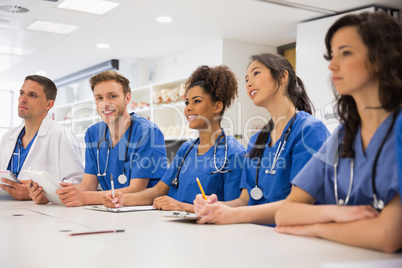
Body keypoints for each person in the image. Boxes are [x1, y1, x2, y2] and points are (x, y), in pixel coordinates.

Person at [275, 12, 402, 253]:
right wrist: (335, 213)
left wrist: (317, 228)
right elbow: (285, 213)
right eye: (332, 56)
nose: (332, 66)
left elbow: (388, 235)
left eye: (346, 53)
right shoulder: (343, 137)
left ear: (379, 59)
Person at [193, 53, 330, 224]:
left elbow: (298, 204)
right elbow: (244, 200)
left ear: (282, 77)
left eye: (256, 73)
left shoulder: (310, 131)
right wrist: (216, 207)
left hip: (294, 238)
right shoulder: (257, 140)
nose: (249, 83)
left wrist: (235, 215)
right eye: (246, 79)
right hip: (257, 235)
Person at [103, 65, 245, 212]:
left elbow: (234, 209)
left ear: (217, 107)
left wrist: (182, 207)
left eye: (196, 101)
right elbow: (158, 191)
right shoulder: (186, 149)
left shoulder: (234, 154)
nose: (188, 108)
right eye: (187, 102)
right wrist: (122, 199)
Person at [55, 71, 168, 207]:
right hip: (110, 208)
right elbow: (88, 184)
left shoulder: (147, 132)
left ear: (127, 98)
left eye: (112, 96)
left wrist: (85, 198)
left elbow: (137, 189)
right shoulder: (94, 133)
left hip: (142, 211)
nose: (105, 104)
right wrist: (56, 195)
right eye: (99, 98)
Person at [0, 75, 83, 202]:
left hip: (45, 215)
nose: (22, 99)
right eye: (22, 93)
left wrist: (38, 193)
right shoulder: (9, 137)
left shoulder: (62, 135)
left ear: (49, 105)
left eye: (32, 95)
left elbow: (77, 184)